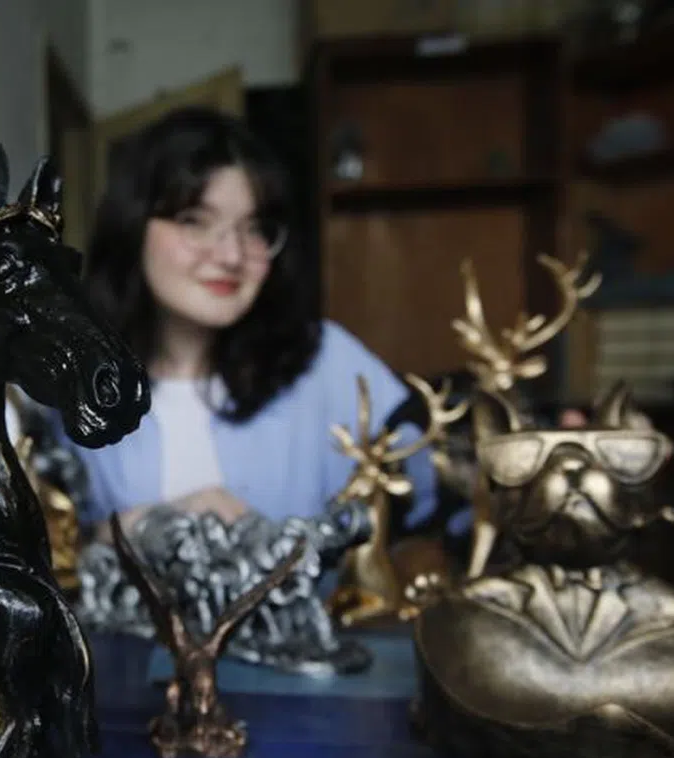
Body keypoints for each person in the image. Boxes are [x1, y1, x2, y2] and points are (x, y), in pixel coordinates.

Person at [59, 106, 443, 541]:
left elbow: (430, 499)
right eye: (195, 221)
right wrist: (136, 530)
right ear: (132, 224)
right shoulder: (67, 384)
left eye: (255, 228)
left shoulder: (325, 361)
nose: (231, 256)